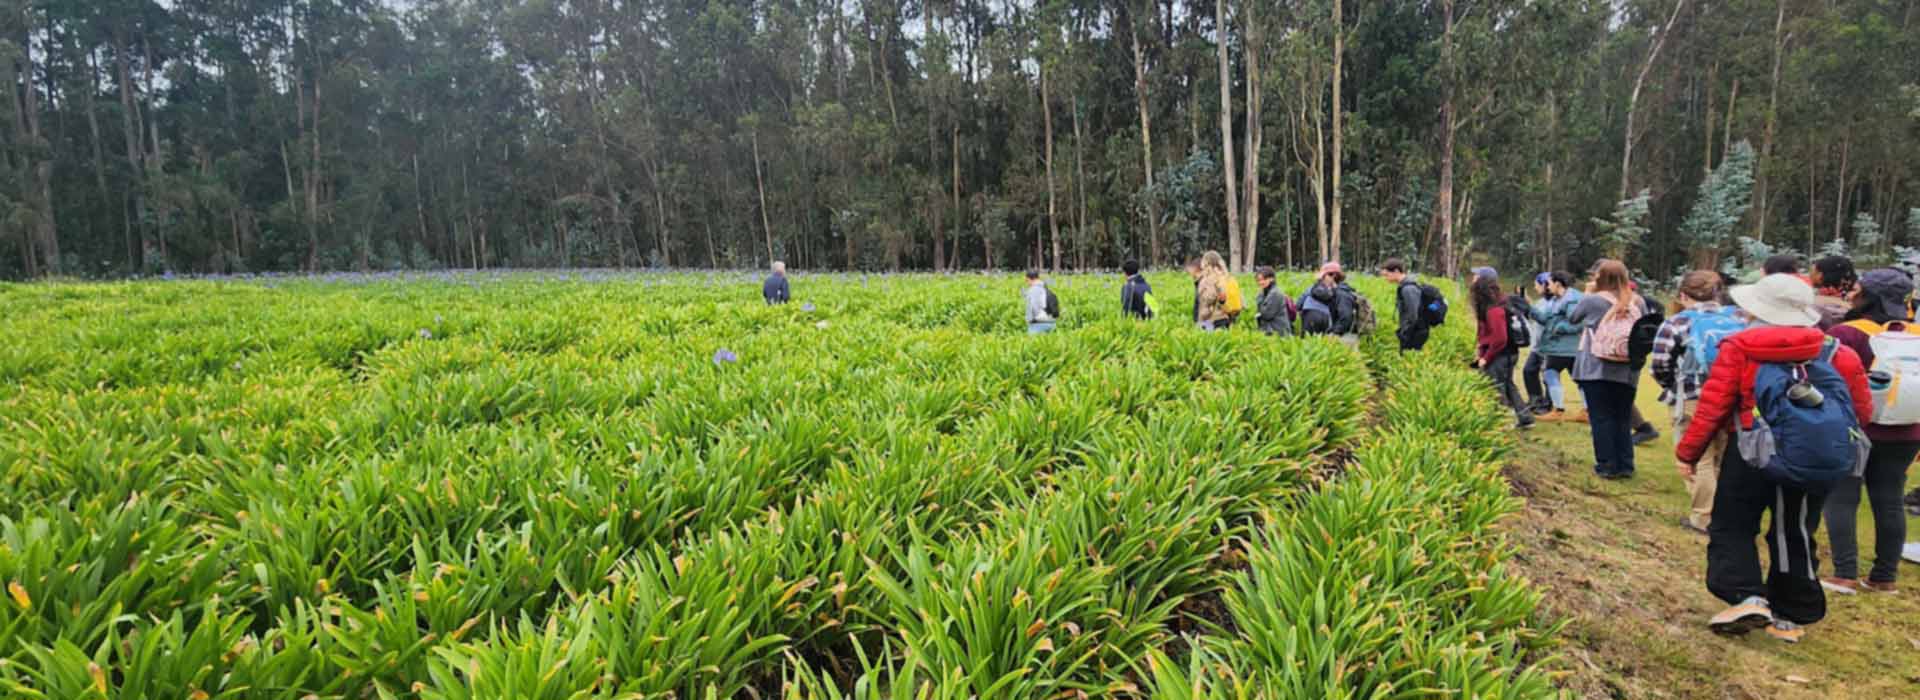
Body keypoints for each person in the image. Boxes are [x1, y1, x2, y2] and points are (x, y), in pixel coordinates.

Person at [1675, 273, 1872, 644]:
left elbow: (1714, 406)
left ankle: (1745, 595)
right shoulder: (1836, 351)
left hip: (1750, 450)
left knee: (1733, 524)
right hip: (1809, 457)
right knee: (1793, 531)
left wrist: (1689, 452)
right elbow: (1859, 409)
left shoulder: (1740, 347)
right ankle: (1790, 613)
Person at [1821, 269, 1920, 595]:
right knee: (1890, 499)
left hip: (1853, 426)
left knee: (1842, 496)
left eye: (1858, 287)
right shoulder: (1915, 332)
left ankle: (1844, 573)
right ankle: (1884, 577)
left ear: (1869, 295)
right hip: (1906, 430)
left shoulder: (1846, 333)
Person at [1649, 271, 1742, 535]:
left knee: (1697, 458)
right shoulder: (1737, 318)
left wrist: (1672, 385)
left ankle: (1703, 518)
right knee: (1722, 456)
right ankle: (1724, 513)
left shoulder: (1677, 323)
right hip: (1730, 397)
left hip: (1692, 397)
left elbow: (1659, 364)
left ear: (1682, 295)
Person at [1568, 259, 1647, 479]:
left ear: (1600, 278)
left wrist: (1587, 292)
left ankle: (1607, 465)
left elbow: (1573, 318)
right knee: (1622, 417)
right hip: (1628, 370)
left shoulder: (1593, 300)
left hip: (1596, 367)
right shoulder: (1638, 301)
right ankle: (1626, 465)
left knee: (1601, 417)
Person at [1473, 273, 1536, 429]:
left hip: (1500, 354)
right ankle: (1525, 417)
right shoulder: (1500, 304)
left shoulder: (1494, 310)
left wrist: (1486, 357)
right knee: (1507, 384)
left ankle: (1501, 421)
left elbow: (1499, 338)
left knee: (1496, 386)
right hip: (1507, 353)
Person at [1526, 271, 1583, 420]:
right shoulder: (1557, 299)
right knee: (1576, 378)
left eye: (1549, 283)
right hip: (1557, 347)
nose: (1547, 286)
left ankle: (1559, 410)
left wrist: (1559, 328)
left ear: (1558, 284)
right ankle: (1582, 411)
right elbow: (1546, 319)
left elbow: (1578, 322)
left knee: (1551, 373)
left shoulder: (1572, 299)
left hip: (1565, 348)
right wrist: (1529, 309)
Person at [1379, 257, 1429, 351]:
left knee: (1409, 359)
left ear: (1396, 271)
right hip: (1414, 330)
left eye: (1387, 275)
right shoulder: (1405, 286)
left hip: (1414, 332)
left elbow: (1413, 314)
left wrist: (1405, 332)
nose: (1385, 278)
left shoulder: (1408, 289)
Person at [1808, 255, 1858, 329]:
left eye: (1812, 272)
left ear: (1820, 275)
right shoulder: (1859, 302)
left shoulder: (1812, 305)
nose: (1809, 275)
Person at [1195, 252, 1235, 331]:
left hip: (1212, 318)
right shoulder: (1227, 276)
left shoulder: (1211, 278)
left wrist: (1201, 287)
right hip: (1227, 317)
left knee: (1211, 342)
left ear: (1207, 263)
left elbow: (1209, 298)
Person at [1253, 266, 1293, 336]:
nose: (1260, 282)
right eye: (1258, 280)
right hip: (1271, 331)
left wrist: (1259, 299)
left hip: (1279, 333)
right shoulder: (1265, 292)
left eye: (1263, 279)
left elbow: (1267, 314)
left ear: (1271, 279)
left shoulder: (1275, 293)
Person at [1023, 268, 1056, 334]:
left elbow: (1033, 307)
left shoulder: (1032, 290)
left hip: (1038, 324)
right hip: (1051, 323)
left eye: (1026, 280)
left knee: (1033, 343)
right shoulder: (1045, 287)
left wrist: (1029, 320)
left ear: (1029, 279)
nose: (1027, 283)